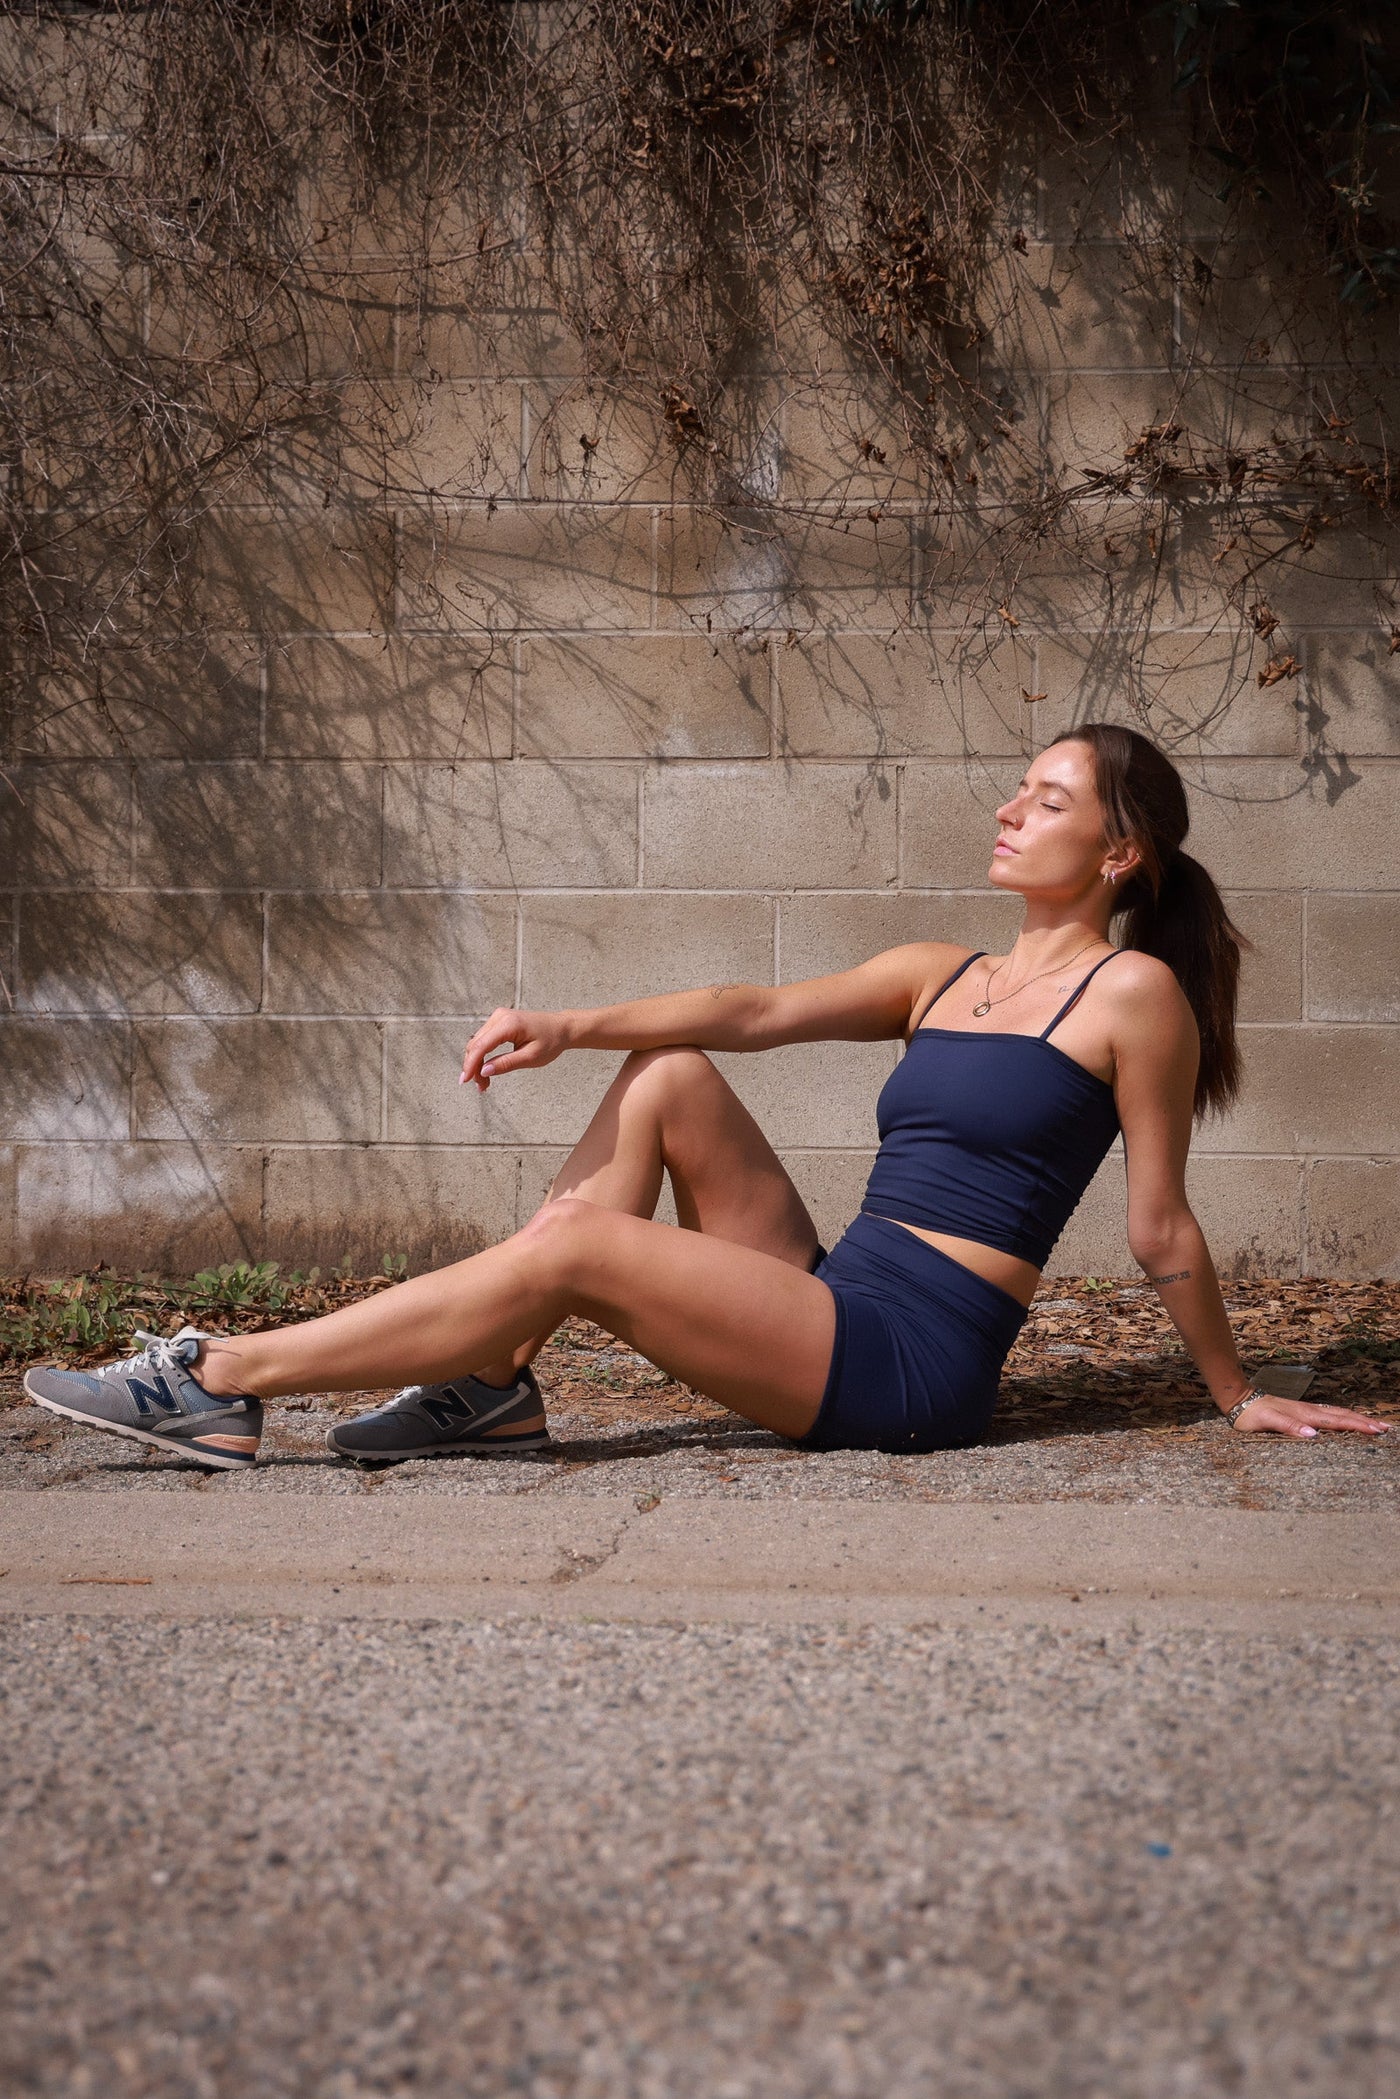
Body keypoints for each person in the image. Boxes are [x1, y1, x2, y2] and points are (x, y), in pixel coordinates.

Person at [26, 724, 1387, 1466]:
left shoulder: (1131, 997)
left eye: (1045, 801)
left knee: (577, 1248)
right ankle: (488, 1388)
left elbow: (1160, 1226)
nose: (1008, 812)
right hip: (836, 1294)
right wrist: (569, 1021)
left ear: (1120, 848)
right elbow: (749, 1014)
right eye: (1016, 792)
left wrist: (1231, 1392)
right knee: (671, 1072)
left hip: (911, 1365)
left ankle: (221, 1380)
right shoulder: (944, 972)